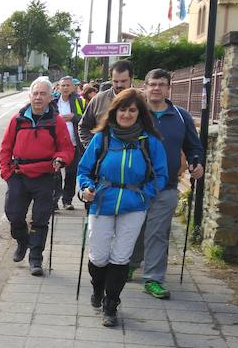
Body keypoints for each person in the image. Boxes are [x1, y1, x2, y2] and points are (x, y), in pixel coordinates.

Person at [77, 88, 168, 327]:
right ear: (114, 111)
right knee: (98, 257)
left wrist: (143, 196)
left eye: (132, 110)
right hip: (102, 201)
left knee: (120, 256)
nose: (126, 114)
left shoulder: (150, 141)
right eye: (122, 109)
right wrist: (86, 188)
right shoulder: (103, 137)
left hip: (134, 205)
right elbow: (84, 169)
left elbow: (160, 175)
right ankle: (98, 290)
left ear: (139, 113)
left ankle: (111, 303)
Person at [128, 68, 204, 298]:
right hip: (135, 185)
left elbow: (193, 146)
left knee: (158, 232)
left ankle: (153, 278)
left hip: (166, 185)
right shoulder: (135, 114)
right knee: (135, 228)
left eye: (161, 84)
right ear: (145, 87)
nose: (156, 88)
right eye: (152, 84)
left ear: (168, 88)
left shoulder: (181, 116)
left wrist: (196, 162)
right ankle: (130, 263)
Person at [0, 77, 74, 276]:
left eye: (43, 94)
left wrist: (60, 159)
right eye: (35, 93)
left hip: (45, 176)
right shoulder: (18, 119)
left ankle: (35, 258)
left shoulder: (55, 121)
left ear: (51, 97)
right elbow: (5, 147)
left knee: (41, 219)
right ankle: (23, 241)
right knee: (14, 215)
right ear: (29, 96)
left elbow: (66, 148)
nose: (38, 97)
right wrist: (6, 173)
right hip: (19, 175)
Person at [78, 60, 133, 147]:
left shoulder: (142, 99)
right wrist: (93, 149)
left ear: (131, 78)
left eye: (123, 81)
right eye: (115, 81)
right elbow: (83, 127)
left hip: (134, 156)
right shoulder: (98, 100)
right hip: (104, 157)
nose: (119, 85)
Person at [51, 76, 86, 210]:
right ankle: (54, 200)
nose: (65, 88)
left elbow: (86, 119)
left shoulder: (80, 102)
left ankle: (67, 200)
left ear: (73, 87)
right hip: (56, 145)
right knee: (55, 173)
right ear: (58, 87)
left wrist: (73, 117)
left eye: (68, 85)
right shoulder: (53, 102)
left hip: (74, 144)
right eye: (63, 85)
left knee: (71, 174)